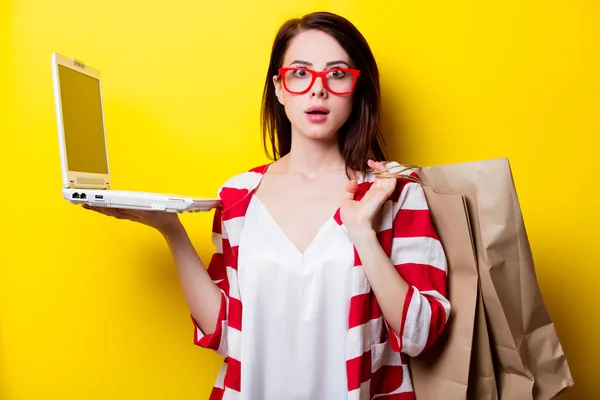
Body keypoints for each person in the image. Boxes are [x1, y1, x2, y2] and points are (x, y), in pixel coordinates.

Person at [84, 11, 451, 400]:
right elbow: (225, 331)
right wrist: (171, 231)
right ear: (278, 87)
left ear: (357, 89)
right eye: (300, 73)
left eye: (337, 74)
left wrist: (362, 232)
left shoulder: (393, 193)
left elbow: (420, 336)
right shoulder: (239, 195)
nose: (317, 90)